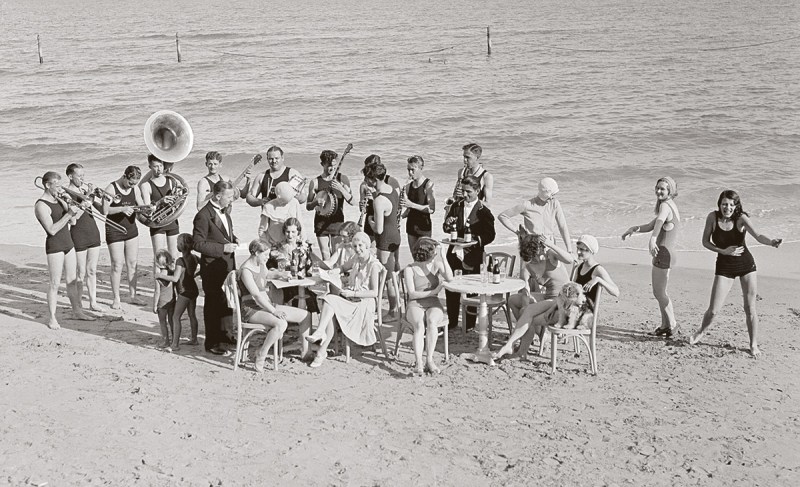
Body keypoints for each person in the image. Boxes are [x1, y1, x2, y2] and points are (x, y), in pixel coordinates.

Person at [690, 191, 782, 358]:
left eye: (732, 205)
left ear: (736, 206)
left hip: (746, 265)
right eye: (725, 204)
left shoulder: (741, 219)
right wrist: (722, 251)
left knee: (750, 308)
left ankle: (753, 344)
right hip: (724, 266)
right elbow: (705, 242)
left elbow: (758, 235)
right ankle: (701, 331)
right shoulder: (712, 217)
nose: (728, 208)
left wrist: (771, 242)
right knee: (713, 310)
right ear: (719, 204)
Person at [305, 232, 382, 368]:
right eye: (355, 246)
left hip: (364, 302)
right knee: (328, 301)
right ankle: (321, 343)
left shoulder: (373, 264)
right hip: (352, 298)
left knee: (329, 302)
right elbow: (343, 267)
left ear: (367, 245)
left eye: (360, 246)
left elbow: (374, 292)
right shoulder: (356, 259)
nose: (357, 249)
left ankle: (321, 344)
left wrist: (353, 292)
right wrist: (335, 272)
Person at [238, 239, 313, 372]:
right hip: (251, 309)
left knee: (305, 315)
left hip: (265, 305)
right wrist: (274, 311)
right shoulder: (246, 270)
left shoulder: (260, 263)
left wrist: (281, 274)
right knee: (281, 323)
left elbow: (267, 274)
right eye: (265, 255)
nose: (267, 258)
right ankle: (261, 354)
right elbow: (256, 295)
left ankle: (305, 351)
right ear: (256, 253)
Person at [622, 176, 681, 337]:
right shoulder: (669, 205)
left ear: (670, 191)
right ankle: (664, 325)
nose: (659, 191)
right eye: (657, 188)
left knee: (659, 293)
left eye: (662, 189)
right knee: (660, 291)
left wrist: (653, 239)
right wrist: (634, 229)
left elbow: (660, 222)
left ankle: (672, 324)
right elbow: (651, 225)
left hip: (663, 254)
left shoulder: (665, 207)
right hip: (665, 254)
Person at [34, 171, 94, 329]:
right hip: (55, 245)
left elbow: (73, 221)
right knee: (54, 283)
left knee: (72, 281)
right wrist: (68, 214)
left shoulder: (59, 199)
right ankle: (52, 318)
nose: (61, 189)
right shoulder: (41, 205)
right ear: (48, 185)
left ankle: (77, 311)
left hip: (68, 243)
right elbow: (52, 230)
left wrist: (78, 205)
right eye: (57, 185)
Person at [442, 175, 496, 330]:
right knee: (451, 288)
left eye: (469, 192)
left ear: (478, 190)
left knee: (471, 291)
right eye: (463, 191)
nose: (465, 195)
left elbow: (490, 235)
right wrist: (447, 225)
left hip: (473, 256)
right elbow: (446, 227)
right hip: (453, 254)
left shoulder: (484, 211)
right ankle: (452, 322)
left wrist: (476, 239)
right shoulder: (456, 206)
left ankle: (469, 325)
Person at [193, 180, 239, 355]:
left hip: (226, 264)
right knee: (213, 304)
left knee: (227, 301)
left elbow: (223, 233)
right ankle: (213, 342)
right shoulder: (203, 216)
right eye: (229, 196)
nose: (232, 199)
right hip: (212, 267)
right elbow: (197, 244)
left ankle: (227, 337)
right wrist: (222, 248)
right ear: (218, 196)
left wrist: (233, 239)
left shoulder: (225, 212)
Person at [404, 238, 453, 375]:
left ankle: (429, 360)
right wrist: (434, 292)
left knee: (432, 322)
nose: (433, 259)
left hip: (433, 302)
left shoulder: (436, 264)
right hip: (415, 303)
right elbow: (412, 294)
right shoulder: (410, 269)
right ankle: (419, 362)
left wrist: (443, 256)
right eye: (432, 257)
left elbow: (450, 278)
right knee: (419, 325)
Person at [103, 165, 146, 309]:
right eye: (130, 182)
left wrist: (148, 208)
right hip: (114, 230)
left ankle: (133, 296)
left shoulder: (135, 188)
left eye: (135, 183)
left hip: (131, 229)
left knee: (132, 263)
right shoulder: (111, 188)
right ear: (125, 176)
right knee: (117, 265)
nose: (131, 186)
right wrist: (122, 208)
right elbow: (104, 210)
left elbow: (141, 206)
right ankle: (116, 298)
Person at [507, 227, 573, 319]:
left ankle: (531, 330)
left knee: (528, 312)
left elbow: (570, 260)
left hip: (563, 299)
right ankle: (527, 329)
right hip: (548, 297)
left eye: (542, 250)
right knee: (512, 300)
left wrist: (551, 244)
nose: (541, 255)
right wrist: (524, 308)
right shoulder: (528, 267)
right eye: (536, 255)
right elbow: (526, 293)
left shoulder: (550, 255)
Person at [363, 159, 401, 315]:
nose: (365, 181)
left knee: (386, 277)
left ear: (373, 179)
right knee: (391, 273)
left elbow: (378, 229)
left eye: (367, 178)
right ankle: (393, 308)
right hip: (395, 235)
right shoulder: (391, 189)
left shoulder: (379, 200)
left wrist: (371, 221)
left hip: (384, 239)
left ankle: (392, 310)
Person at [498, 177, 573, 254]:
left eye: (553, 194)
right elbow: (503, 216)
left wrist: (569, 249)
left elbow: (563, 227)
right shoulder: (527, 205)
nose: (552, 197)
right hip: (532, 248)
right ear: (544, 193)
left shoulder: (555, 203)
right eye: (551, 195)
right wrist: (517, 232)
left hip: (550, 247)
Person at [65, 163, 102, 311]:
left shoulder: (85, 190)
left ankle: (93, 302)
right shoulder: (66, 193)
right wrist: (87, 200)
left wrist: (98, 197)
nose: (82, 179)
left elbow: (103, 209)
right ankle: (79, 303)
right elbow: (73, 219)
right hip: (78, 233)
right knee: (81, 272)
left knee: (92, 270)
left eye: (83, 176)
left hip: (93, 231)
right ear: (70, 176)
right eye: (79, 176)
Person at [306, 149, 354, 260]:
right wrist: (315, 203)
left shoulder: (342, 179)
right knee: (325, 255)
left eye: (334, 165)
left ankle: (335, 275)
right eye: (328, 165)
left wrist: (340, 188)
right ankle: (327, 276)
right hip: (320, 221)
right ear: (322, 164)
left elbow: (352, 201)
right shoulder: (315, 182)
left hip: (337, 221)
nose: (332, 169)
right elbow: (308, 206)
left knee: (337, 254)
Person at [155, 233, 200, 349]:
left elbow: (175, 278)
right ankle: (194, 339)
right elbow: (203, 266)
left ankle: (175, 344)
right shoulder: (194, 257)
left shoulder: (180, 260)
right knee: (192, 315)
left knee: (176, 317)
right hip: (194, 289)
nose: (176, 245)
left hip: (184, 291)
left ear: (181, 246)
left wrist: (160, 275)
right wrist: (195, 274)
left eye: (177, 243)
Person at [266, 218, 319, 314]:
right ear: (284, 232)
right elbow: (269, 268)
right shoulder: (276, 248)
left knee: (308, 298)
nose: (290, 235)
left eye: (293, 232)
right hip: (282, 285)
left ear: (298, 232)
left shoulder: (304, 247)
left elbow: (309, 267)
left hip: (300, 283)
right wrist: (277, 272)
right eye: (287, 232)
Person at [141, 154, 180, 259]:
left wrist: (177, 199)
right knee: (160, 258)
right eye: (155, 166)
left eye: (161, 166)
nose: (159, 169)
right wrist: (160, 202)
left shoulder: (171, 181)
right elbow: (147, 211)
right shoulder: (146, 186)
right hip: (157, 223)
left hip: (172, 221)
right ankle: (158, 276)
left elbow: (180, 200)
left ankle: (173, 276)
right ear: (150, 167)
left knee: (174, 257)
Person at [246, 145, 307, 211]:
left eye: (276, 158)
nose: (274, 161)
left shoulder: (292, 174)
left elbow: (303, 197)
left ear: (282, 158)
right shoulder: (261, 176)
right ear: (267, 159)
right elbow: (249, 197)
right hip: (268, 217)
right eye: (271, 159)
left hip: (287, 218)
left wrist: (293, 197)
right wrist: (260, 201)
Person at [401, 155, 436, 257]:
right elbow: (408, 209)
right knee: (414, 256)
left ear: (421, 168)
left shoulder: (428, 184)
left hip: (424, 227)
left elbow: (431, 209)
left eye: (413, 169)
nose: (410, 173)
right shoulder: (408, 186)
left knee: (425, 257)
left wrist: (411, 205)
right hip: (411, 225)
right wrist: (400, 216)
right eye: (408, 170)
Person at [358, 154, 400, 238]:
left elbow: (396, 205)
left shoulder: (391, 181)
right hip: (371, 218)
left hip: (387, 222)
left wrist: (374, 195)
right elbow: (363, 208)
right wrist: (362, 206)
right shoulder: (364, 184)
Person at [445, 143, 493, 212]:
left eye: (468, 157)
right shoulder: (461, 172)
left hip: (474, 216)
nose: (464, 160)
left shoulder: (486, 177)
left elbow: (488, 205)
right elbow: (455, 196)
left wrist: (466, 196)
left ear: (477, 157)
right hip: (459, 213)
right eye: (464, 157)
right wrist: (452, 200)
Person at [259, 181, 301, 246]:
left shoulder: (294, 202)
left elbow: (300, 225)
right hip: (274, 245)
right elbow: (262, 230)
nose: (287, 204)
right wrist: (267, 245)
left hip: (292, 244)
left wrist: (303, 242)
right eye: (284, 201)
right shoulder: (268, 207)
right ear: (278, 196)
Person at [152, 249, 176, 350]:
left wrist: (154, 305)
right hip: (171, 300)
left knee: (162, 322)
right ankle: (174, 339)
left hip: (162, 302)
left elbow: (157, 292)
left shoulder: (158, 277)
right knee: (171, 321)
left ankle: (166, 341)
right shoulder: (171, 273)